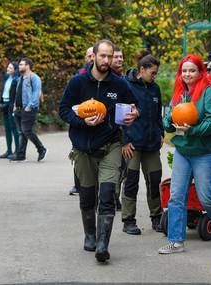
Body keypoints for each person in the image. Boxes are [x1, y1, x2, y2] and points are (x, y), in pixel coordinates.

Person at [59, 39, 139, 263]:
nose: (106, 60)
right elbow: (63, 110)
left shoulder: (120, 84)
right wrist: (83, 122)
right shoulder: (77, 82)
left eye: (110, 56)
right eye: (102, 56)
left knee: (106, 196)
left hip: (109, 147)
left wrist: (135, 114)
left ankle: (103, 244)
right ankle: (90, 235)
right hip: (83, 149)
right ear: (93, 56)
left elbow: (132, 107)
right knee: (87, 197)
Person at [158, 54, 211, 254]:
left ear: (199, 72)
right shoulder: (179, 94)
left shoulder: (209, 93)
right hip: (183, 151)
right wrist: (169, 123)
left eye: (192, 70)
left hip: (206, 152)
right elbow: (169, 117)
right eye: (184, 70)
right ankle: (176, 241)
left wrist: (192, 130)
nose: (187, 74)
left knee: (206, 197)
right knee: (176, 196)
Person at [121, 52, 164, 235]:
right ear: (142, 70)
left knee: (154, 180)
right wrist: (124, 141)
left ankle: (156, 217)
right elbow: (120, 117)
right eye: (152, 73)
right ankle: (128, 220)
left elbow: (157, 115)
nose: (155, 76)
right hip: (132, 144)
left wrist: (161, 133)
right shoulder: (126, 86)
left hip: (152, 143)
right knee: (131, 181)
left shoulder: (155, 89)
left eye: (156, 73)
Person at [69, 47, 95, 195]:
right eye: (89, 55)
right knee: (77, 152)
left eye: (93, 55)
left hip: (97, 116)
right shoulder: (79, 75)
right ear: (86, 58)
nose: (91, 58)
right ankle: (77, 185)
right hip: (81, 119)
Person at [10, 57, 47, 162]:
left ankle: (41, 149)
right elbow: (18, 93)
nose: (19, 66)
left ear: (27, 66)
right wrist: (15, 105)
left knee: (27, 131)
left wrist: (29, 106)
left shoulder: (34, 78)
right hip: (19, 109)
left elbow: (36, 94)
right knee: (22, 132)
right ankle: (21, 155)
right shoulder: (20, 78)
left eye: (21, 64)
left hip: (29, 109)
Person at [110, 46, 125, 210]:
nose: (119, 59)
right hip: (108, 130)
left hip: (122, 129)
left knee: (122, 167)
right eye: (116, 57)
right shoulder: (107, 78)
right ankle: (110, 197)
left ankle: (114, 196)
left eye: (121, 57)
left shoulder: (123, 79)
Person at [0, 61, 19, 159]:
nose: (8, 69)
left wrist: (15, 106)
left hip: (12, 106)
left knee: (14, 129)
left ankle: (17, 151)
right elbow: (3, 91)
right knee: (7, 129)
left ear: (15, 70)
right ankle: (9, 150)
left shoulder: (17, 80)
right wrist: (0, 102)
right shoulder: (6, 77)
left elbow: (17, 95)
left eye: (10, 68)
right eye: (8, 67)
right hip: (4, 105)